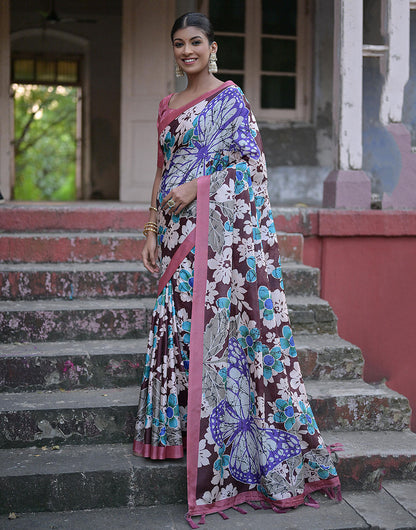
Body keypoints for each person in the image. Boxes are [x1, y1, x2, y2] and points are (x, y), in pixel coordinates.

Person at [133, 12, 341, 527]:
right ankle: (174, 435)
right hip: (176, 232)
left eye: (195, 42)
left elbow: (251, 170)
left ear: (213, 46)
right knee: (175, 323)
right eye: (179, 43)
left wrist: (197, 190)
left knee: (215, 334)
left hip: (216, 233)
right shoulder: (166, 107)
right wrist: (151, 229)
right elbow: (162, 173)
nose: (187, 51)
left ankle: (226, 444)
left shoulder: (229, 100)